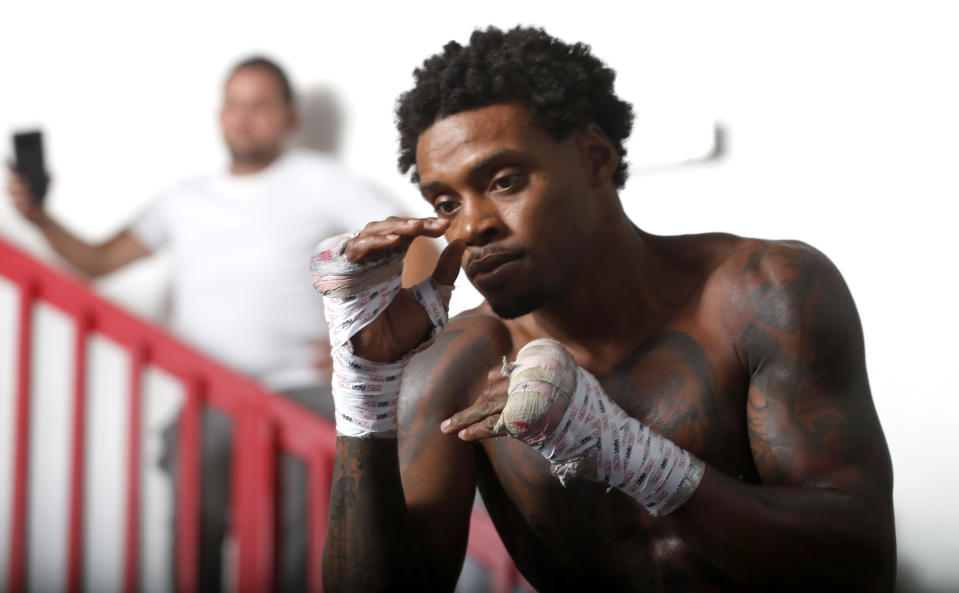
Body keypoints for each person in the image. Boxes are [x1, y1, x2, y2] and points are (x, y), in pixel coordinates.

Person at [312, 26, 896, 592]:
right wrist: (365, 385)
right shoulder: (458, 366)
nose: (471, 225)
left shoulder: (762, 295)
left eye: (506, 180)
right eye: (445, 202)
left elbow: (861, 568)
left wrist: (631, 455)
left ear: (595, 156)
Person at [7, 56, 436, 592]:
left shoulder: (320, 181)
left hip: (301, 389)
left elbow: (415, 244)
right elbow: (97, 261)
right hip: (208, 391)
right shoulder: (183, 198)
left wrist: (371, 330)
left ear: (289, 119)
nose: (245, 117)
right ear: (220, 114)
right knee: (193, 505)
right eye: (235, 103)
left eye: (261, 105)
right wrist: (40, 220)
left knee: (313, 503)